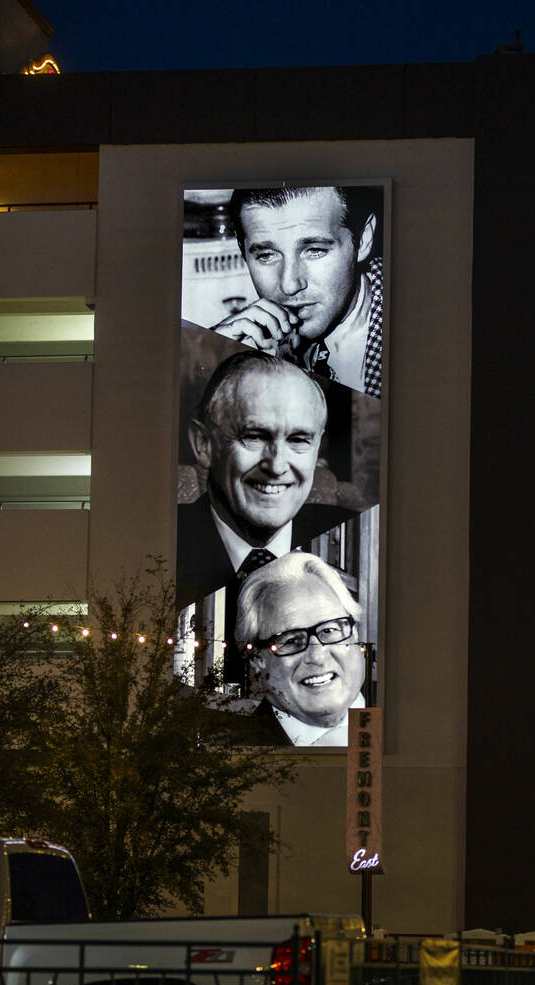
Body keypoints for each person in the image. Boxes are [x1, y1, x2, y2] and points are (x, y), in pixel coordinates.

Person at [177, 351, 355, 684]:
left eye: (299, 440)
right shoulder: (163, 549)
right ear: (203, 444)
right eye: (255, 436)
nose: (276, 466)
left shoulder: (351, 537)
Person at [211, 186, 384, 399]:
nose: (289, 286)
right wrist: (208, 360)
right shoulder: (252, 340)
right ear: (243, 251)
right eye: (266, 256)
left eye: (315, 251)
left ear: (364, 239)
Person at [235, 552, 366, 747]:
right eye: (291, 641)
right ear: (256, 658)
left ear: (355, 633)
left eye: (329, 630)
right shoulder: (230, 755)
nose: (317, 656)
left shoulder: (414, 722)